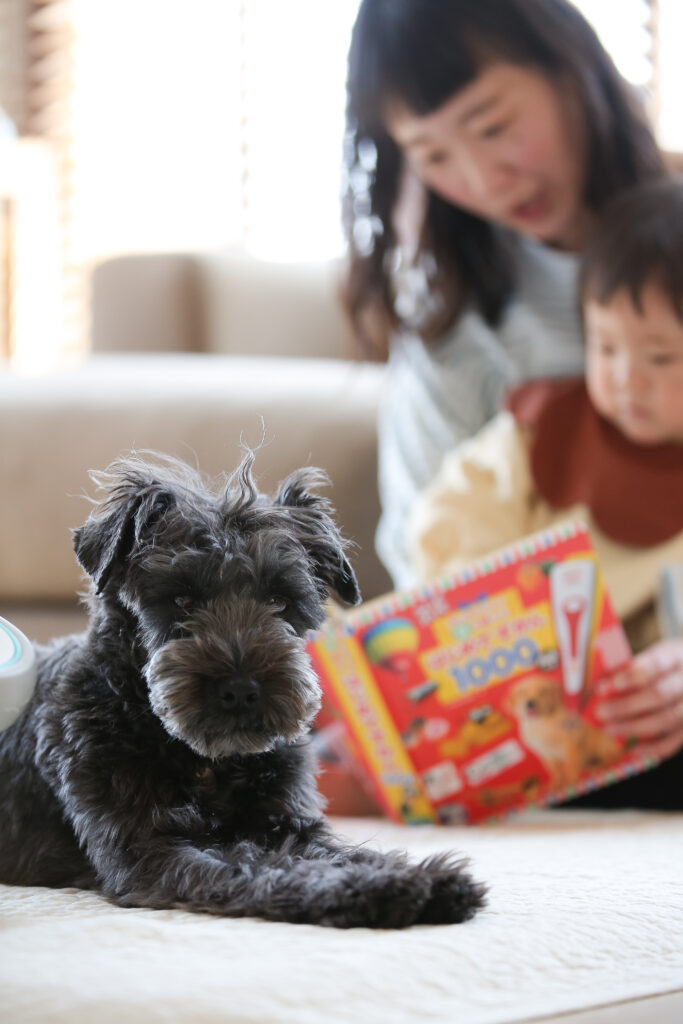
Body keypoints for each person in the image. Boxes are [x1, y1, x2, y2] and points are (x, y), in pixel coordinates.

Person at [342, 0, 666, 593]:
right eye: (435, 156)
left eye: (492, 127)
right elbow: (426, 556)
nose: (485, 181)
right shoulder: (454, 325)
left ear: (570, 67)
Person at [409, 177, 683, 808]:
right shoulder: (539, 433)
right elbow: (449, 520)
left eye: (661, 358)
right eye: (606, 346)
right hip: (532, 702)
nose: (624, 378)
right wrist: (502, 618)